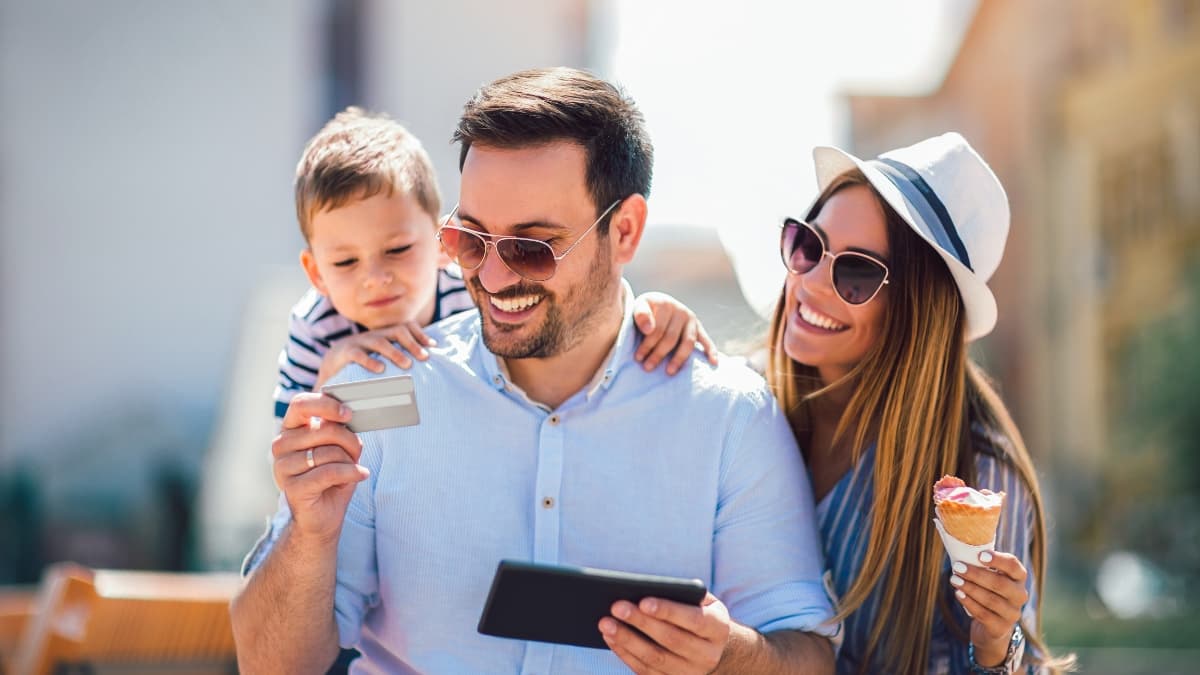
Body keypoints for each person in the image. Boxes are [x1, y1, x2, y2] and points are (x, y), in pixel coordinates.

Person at [231, 67, 837, 674]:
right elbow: (271, 666)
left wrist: (728, 656)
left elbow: (807, 653)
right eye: (470, 240)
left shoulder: (728, 417)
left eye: (532, 247)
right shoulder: (380, 393)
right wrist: (308, 537)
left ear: (624, 231)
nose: (492, 279)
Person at [765, 133, 1073, 673]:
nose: (810, 282)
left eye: (855, 272)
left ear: (917, 312)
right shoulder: (747, 406)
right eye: (808, 244)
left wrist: (998, 646)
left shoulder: (980, 477)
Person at [274, 107, 717, 422]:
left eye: (397, 250)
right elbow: (292, 449)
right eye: (346, 261)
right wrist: (331, 383)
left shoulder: (470, 301)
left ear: (442, 242)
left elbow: (589, 313)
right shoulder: (317, 330)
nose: (375, 277)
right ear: (317, 275)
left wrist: (651, 312)